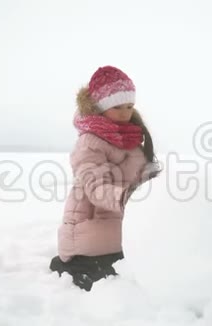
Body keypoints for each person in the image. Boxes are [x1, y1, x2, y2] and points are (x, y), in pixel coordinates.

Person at [49, 66, 161, 291]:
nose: (124, 113)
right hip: (88, 240)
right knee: (123, 285)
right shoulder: (90, 142)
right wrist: (127, 197)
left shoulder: (133, 141)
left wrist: (160, 192)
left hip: (120, 235)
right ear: (100, 108)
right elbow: (96, 187)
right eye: (116, 107)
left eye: (129, 106)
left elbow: (144, 179)